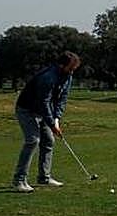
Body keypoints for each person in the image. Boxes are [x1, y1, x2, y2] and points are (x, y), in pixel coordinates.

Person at [11, 51, 81, 192]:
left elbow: (62, 99)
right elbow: (44, 102)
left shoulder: (68, 76)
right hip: (27, 110)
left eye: (74, 68)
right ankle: (19, 180)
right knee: (33, 140)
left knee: (48, 140)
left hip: (43, 111)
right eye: (71, 68)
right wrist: (52, 123)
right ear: (62, 65)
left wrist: (56, 120)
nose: (72, 71)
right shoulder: (48, 77)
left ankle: (44, 177)